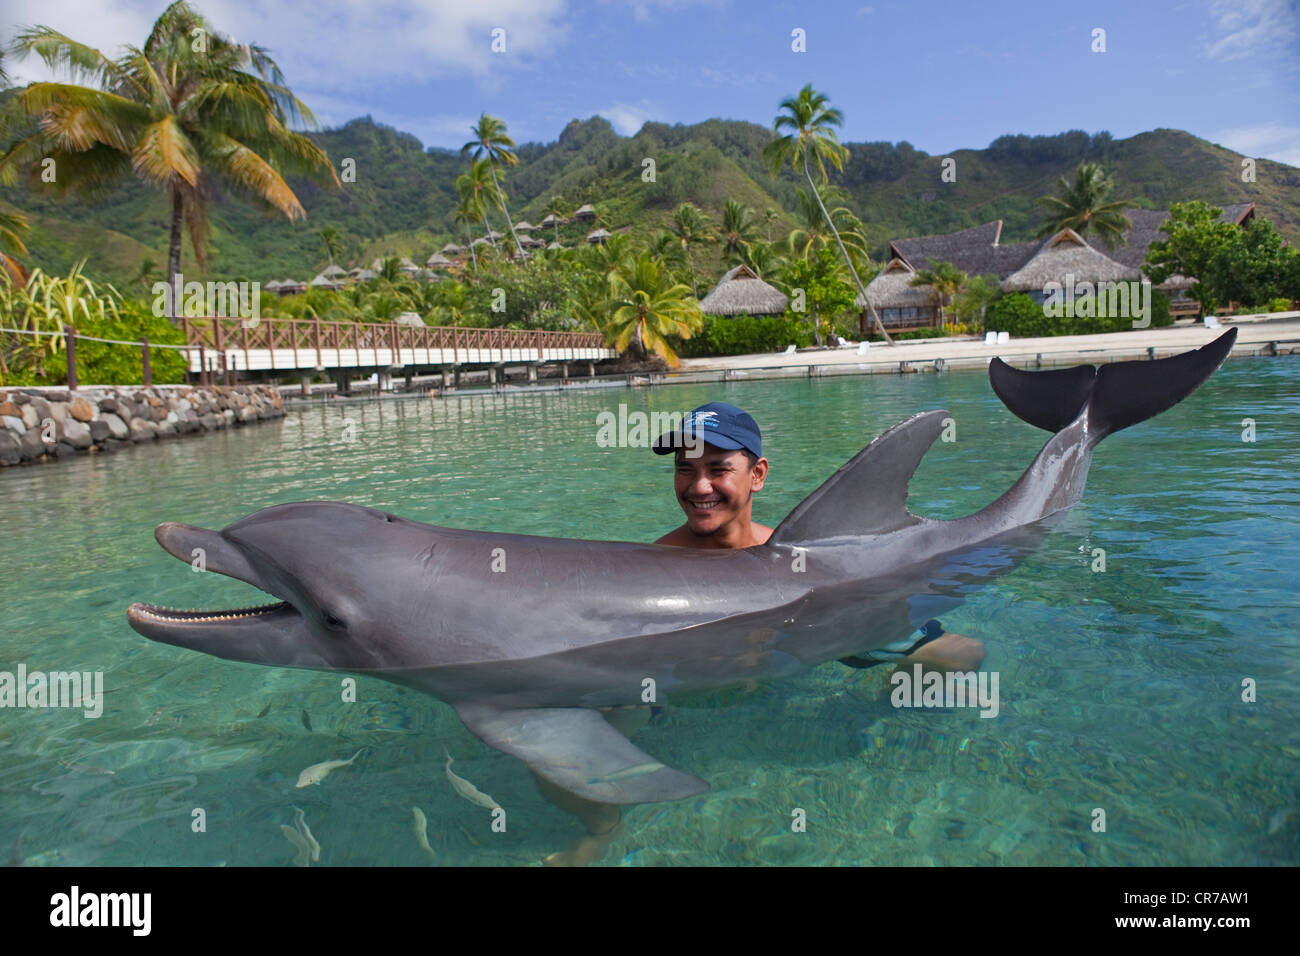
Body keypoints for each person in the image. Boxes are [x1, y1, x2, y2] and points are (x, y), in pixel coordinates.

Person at [652, 402, 985, 673]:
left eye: (718, 469)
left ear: (757, 475)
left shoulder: (793, 551)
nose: (698, 487)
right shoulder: (659, 565)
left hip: (814, 639)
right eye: (685, 469)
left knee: (963, 656)